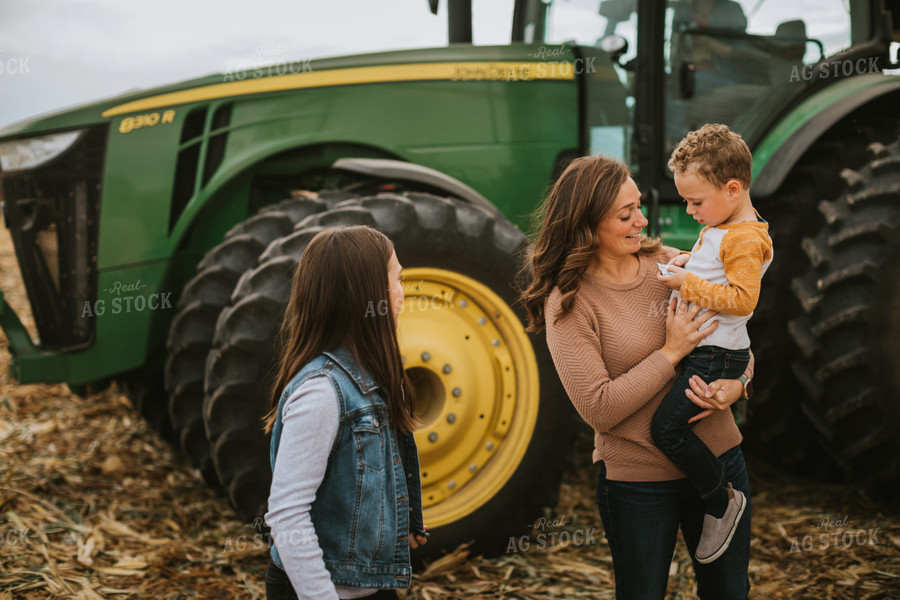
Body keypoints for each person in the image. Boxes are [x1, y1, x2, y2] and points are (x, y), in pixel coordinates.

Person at [521, 154, 753, 599]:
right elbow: (599, 407)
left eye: (639, 207)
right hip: (640, 484)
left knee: (729, 593)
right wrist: (671, 352)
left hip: (720, 465)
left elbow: (736, 343)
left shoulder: (671, 265)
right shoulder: (569, 304)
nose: (642, 220)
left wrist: (738, 385)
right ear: (586, 225)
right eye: (625, 215)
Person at [263, 225, 428, 600]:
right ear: (367, 296)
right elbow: (286, 514)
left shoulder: (371, 378)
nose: (403, 293)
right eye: (398, 280)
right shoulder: (322, 393)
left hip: (370, 585)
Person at [652, 123, 773, 564]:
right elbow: (714, 263)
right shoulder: (726, 225)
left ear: (733, 188)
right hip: (709, 350)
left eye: (695, 202)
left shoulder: (745, 237)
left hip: (716, 354)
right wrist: (689, 260)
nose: (689, 210)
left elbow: (741, 301)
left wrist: (688, 281)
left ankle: (721, 501)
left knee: (665, 429)